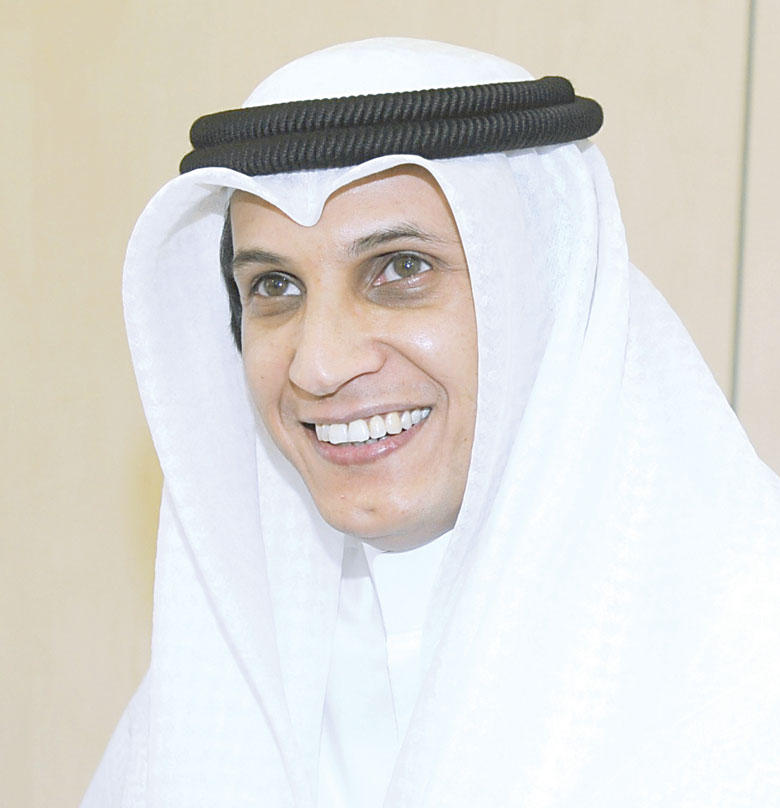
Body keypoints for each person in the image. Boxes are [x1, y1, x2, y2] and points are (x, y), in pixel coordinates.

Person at [82, 39, 780, 807]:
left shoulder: (748, 653)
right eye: (275, 285)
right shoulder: (222, 691)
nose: (319, 365)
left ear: (541, 289)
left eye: (402, 268)